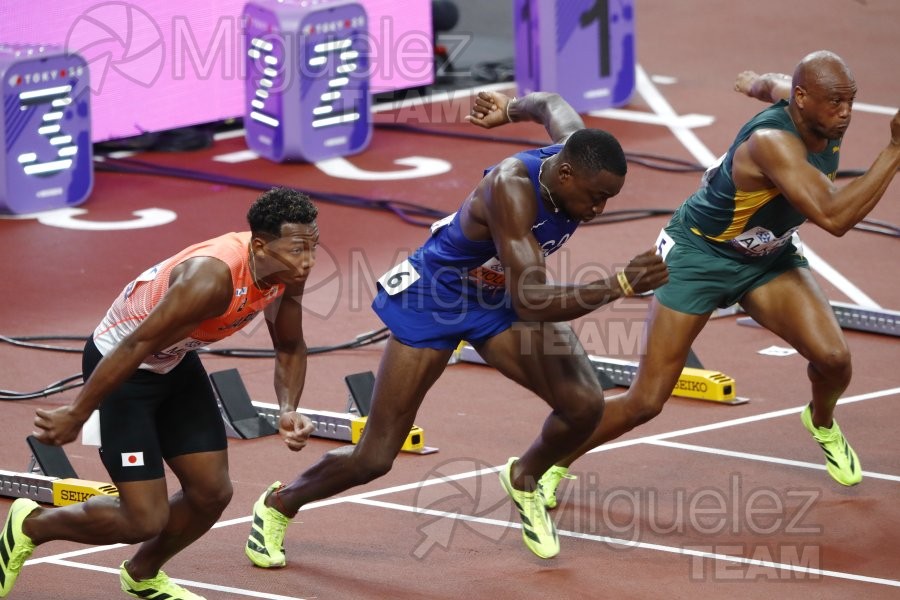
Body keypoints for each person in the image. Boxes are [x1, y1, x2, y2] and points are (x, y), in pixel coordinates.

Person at [242, 90, 669, 565]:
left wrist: (507, 110)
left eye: (608, 199)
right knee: (375, 456)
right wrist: (621, 284)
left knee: (584, 405)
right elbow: (533, 301)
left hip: (497, 295)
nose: (597, 210)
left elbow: (549, 102)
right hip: (437, 298)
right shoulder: (512, 189)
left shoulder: (573, 149)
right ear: (566, 174)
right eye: (594, 198)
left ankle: (525, 478)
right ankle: (279, 506)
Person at [538, 50, 900, 510]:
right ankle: (550, 461)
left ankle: (821, 421)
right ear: (804, 99)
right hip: (698, 256)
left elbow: (773, 82)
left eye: (851, 101)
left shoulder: (808, 106)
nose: (846, 113)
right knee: (646, 400)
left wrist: (752, 82)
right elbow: (833, 216)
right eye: (835, 103)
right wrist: (894, 150)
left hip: (767, 258)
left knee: (834, 359)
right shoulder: (773, 142)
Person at [0, 188, 319, 599]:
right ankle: (30, 524)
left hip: (174, 363)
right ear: (259, 245)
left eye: (313, 247)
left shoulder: (286, 271)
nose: (308, 261)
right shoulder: (211, 279)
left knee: (211, 494)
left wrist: (288, 408)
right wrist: (78, 413)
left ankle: (142, 574)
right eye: (297, 250)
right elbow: (133, 346)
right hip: (123, 369)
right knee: (142, 520)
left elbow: (290, 346)